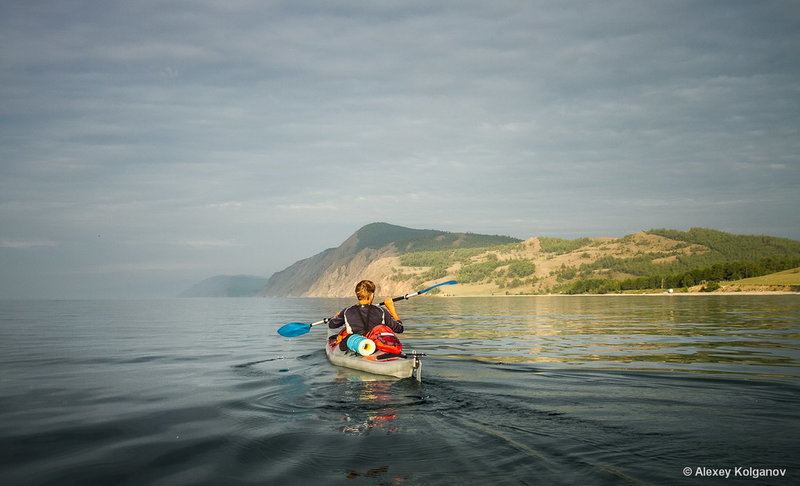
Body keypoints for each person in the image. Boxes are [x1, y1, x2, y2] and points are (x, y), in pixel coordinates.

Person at [327, 280, 403, 352]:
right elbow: (399, 328)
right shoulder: (381, 311)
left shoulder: (347, 311)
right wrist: (391, 309)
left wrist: (338, 317)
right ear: (372, 295)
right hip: (375, 343)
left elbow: (332, 325)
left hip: (355, 343)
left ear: (357, 295)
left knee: (343, 333)